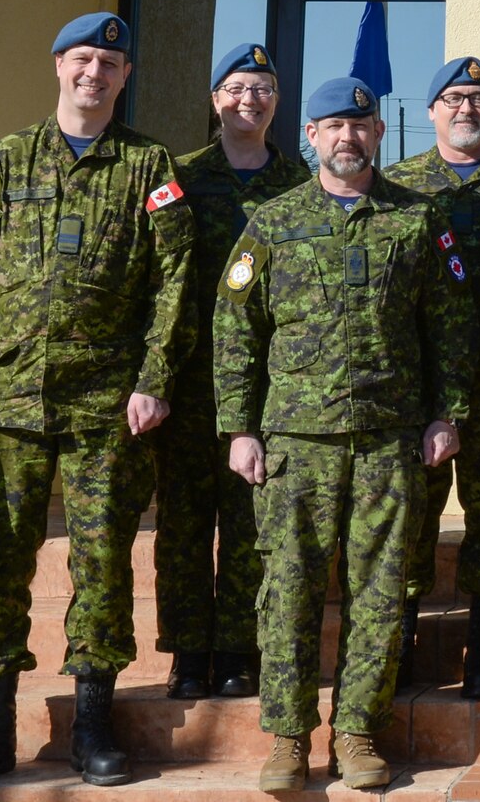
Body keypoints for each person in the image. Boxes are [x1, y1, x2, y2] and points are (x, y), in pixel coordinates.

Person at [0, 11, 194, 791]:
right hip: (7, 402)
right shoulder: (10, 159)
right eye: (83, 58)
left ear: (124, 77)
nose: (94, 73)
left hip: (106, 410)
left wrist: (154, 379)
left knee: (104, 563)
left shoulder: (150, 166)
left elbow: (174, 281)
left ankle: (92, 724)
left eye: (109, 64)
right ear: (58, 65)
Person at [213, 76, 472, 793]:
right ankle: (288, 738)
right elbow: (235, 329)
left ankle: (358, 731)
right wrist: (238, 426)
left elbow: (449, 325)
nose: (347, 137)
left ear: (380, 134)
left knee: (381, 592)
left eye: (360, 126)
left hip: (389, 441)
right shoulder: (272, 222)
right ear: (312, 135)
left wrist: (446, 414)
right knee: (289, 592)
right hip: (296, 442)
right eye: (333, 126)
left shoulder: (418, 221)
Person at [154, 42, 310, 703]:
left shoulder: (300, 184)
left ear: (277, 101)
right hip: (190, 378)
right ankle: (188, 652)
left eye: (264, 89)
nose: (251, 99)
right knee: (185, 523)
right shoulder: (176, 177)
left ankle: (239, 652)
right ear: (216, 98)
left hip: (269, 384)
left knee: (252, 524)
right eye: (238, 88)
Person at [389, 55, 480, 698]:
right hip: (416, 388)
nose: (466, 108)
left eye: (478, 98)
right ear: (430, 112)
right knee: (412, 516)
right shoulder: (395, 187)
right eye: (453, 98)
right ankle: (406, 640)